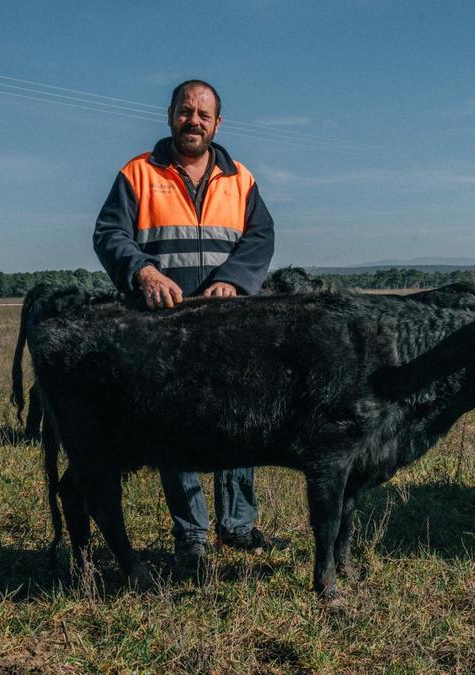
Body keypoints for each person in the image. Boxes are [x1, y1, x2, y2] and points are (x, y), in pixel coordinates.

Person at [93, 79, 286, 567]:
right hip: (165, 327)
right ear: (170, 115)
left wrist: (236, 282)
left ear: (218, 123)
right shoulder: (138, 173)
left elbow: (261, 238)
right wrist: (143, 270)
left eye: (204, 114)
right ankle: (191, 535)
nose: (193, 120)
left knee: (239, 424)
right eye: (186, 111)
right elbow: (109, 232)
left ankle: (238, 526)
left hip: (229, 325)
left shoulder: (239, 178)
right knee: (175, 429)